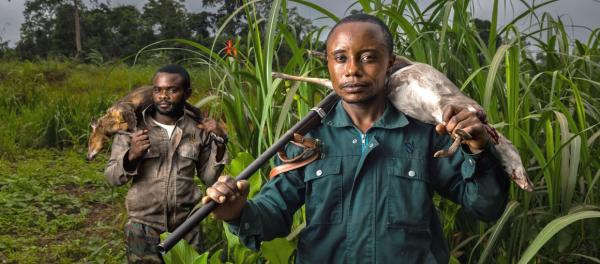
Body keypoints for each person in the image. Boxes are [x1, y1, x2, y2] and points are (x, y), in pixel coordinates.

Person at [202, 14, 509, 263]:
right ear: (328, 64)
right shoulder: (309, 138)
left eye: (368, 58)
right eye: (340, 58)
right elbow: (274, 212)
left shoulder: (426, 133)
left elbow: (486, 207)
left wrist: (479, 149)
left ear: (390, 62)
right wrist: (238, 212)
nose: (352, 70)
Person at [105, 65, 227, 263]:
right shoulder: (132, 130)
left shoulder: (198, 129)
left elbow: (209, 178)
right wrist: (132, 155)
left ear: (187, 94)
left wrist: (220, 142)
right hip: (143, 226)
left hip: (186, 226)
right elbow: (112, 177)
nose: (163, 96)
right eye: (158, 90)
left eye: (172, 90)